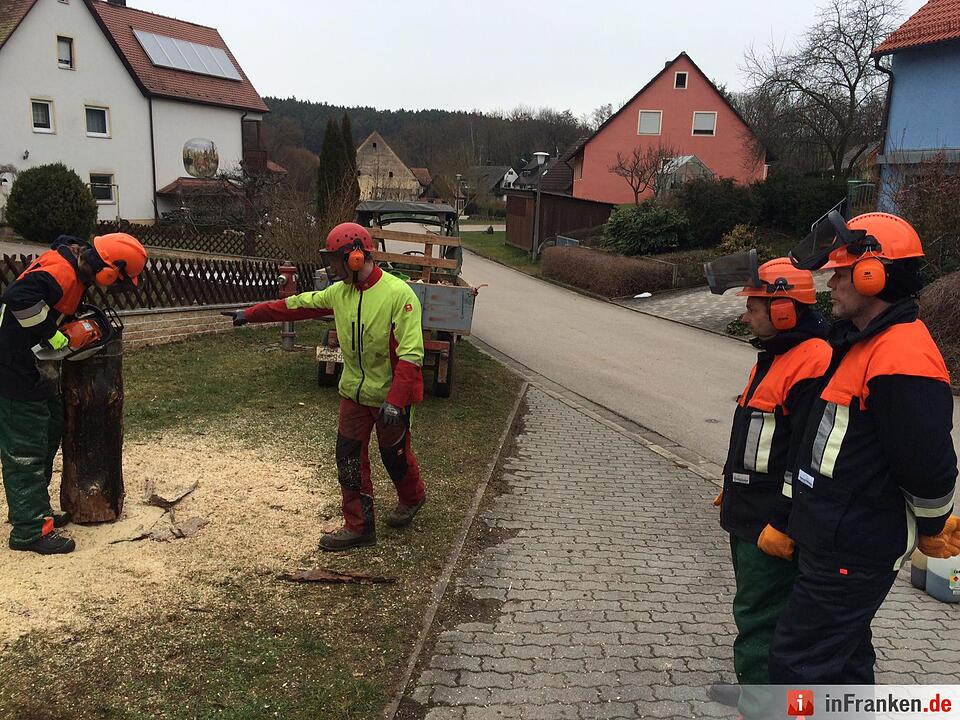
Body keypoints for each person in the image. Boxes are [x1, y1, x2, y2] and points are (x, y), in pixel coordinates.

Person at [769, 211, 960, 683]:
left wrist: (933, 524)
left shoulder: (902, 356)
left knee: (798, 667)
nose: (831, 283)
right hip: (835, 539)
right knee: (845, 663)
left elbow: (928, 466)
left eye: (840, 272)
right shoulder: (860, 344)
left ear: (873, 275)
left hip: (853, 549)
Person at [224, 222, 426, 551]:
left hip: (391, 395)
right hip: (354, 393)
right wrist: (249, 314)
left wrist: (395, 401)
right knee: (347, 457)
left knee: (395, 456)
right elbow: (296, 305)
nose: (331, 268)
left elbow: (411, 354)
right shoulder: (339, 293)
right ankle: (359, 527)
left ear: (357, 258)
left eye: (335, 261)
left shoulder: (398, 295)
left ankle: (413, 496)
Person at [704, 254, 831, 717]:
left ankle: (763, 704)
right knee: (752, 609)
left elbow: (806, 457)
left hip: (771, 523)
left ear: (784, 310)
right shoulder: (777, 356)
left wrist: (781, 518)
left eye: (754, 307)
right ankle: (756, 689)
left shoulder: (813, 362)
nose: (746, 314)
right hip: (749, 511)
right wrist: (733, 488)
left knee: (760, 616)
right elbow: (760, 438)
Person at [0, 232, 147, 554]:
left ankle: (30, 510)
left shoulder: (75, 268)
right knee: (26, 448)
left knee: (50, 430)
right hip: (14, 368)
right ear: (110, 268)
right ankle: (28, 531)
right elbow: (17, 296)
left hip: (35, 366)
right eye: (119, 279)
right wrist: (51, 335)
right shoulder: (61, 270)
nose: (114, 285)